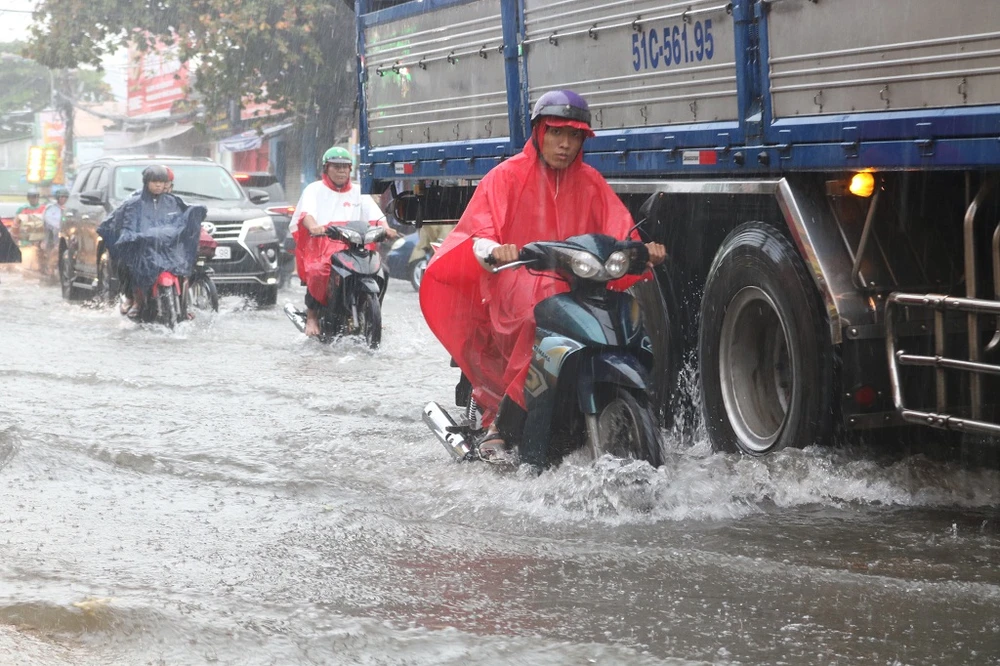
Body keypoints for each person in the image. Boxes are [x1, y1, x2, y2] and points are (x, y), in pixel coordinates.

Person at [419, 89, 667, 456]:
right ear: (538, 132)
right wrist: (496, 250)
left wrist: (641, 251)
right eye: (556, 133)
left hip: (577, 283)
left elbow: (618, 228)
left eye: (574, 136)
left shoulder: (591, 182)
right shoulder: (506, 177)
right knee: (541, 318)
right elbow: (480, 232)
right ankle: (502, 423)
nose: (565, 144)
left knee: (622, 312)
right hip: (517, 280)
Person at [289, 146, 398, 337]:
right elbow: (306, 214)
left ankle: (374, 312)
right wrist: (314, 227)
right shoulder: (314, 189)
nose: (341, 171)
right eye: (336, 167)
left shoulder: (359, 191)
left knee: (383, 271)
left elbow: (376, 215)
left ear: (350, 169)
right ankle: (312, 316)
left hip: (356, 245)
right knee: (319, 271)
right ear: (326, 168)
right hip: (324, 245)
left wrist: (386, 228)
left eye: (345, 167)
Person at [98, 165, 206, 317]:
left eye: (163, 182)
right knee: (128, 264)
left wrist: (196, 215)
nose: (159, 185)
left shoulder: (173, 202)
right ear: (146, 182)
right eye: (155, 181)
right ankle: (134, 299)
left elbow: (184, 216)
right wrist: (130, 237)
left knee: (186, 264)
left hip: (167, 247)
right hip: (143, 247)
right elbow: (124, 223)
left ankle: (184, 304)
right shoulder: (133, 203)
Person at [39, 187, 68, 276]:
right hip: (52, 235)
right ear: (58, 198)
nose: (63, 199)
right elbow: (49, 220)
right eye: (61, 197)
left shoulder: (69, 208)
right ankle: (50, 269)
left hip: (65, 235)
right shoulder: (51, 208)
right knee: (52, 250)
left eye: (65, 197)